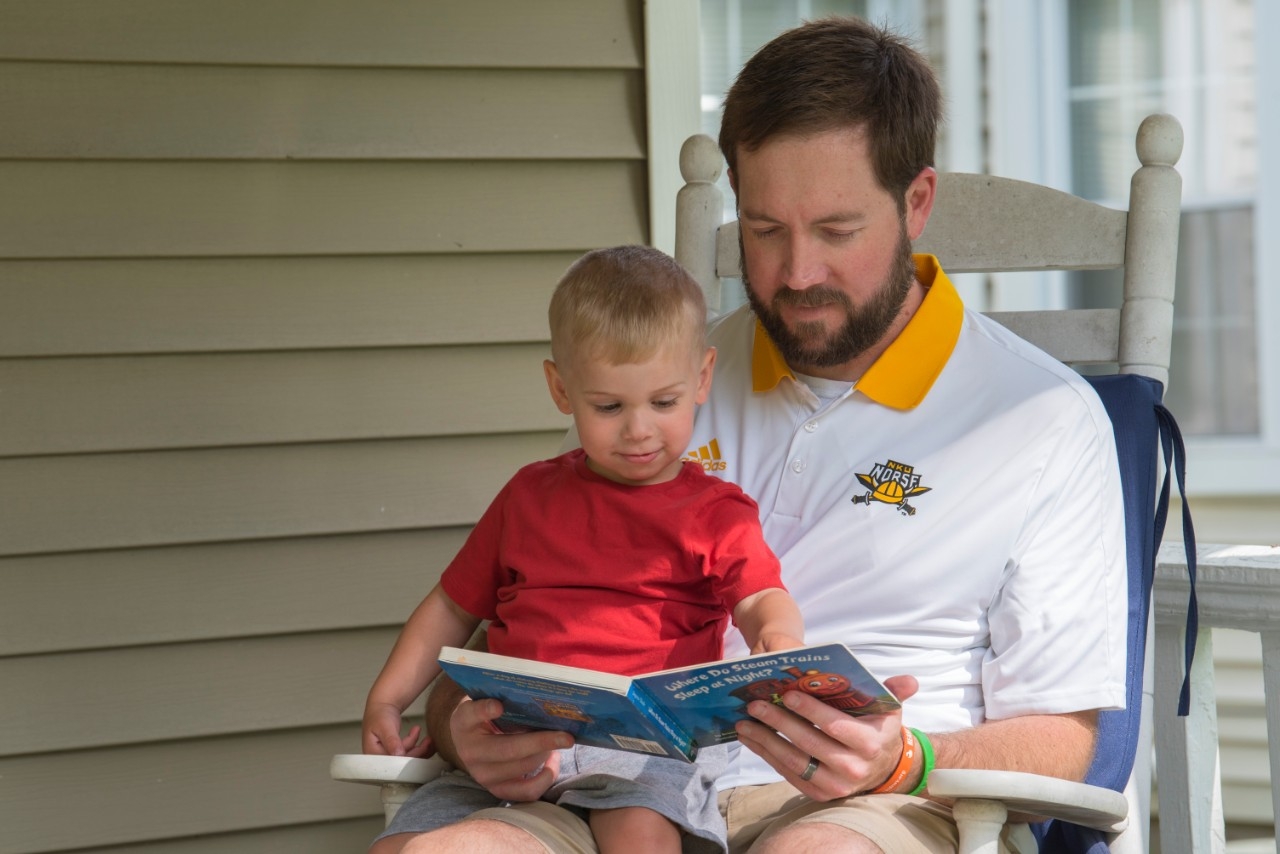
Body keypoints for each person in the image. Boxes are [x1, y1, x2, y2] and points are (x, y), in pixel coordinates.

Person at [393, 15, 1128, 854]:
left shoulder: (1042, 418)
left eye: (837, 231)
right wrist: (465, 728)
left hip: (866, 807)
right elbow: (507, 635)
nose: (798, 273)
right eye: (765, 229)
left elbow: (1066, 739)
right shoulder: (662, 386)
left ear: (916, 202)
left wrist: (907, 759)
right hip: (603, 783)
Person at [363, 244, 806, 854]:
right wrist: (388, 698)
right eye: (609, 406)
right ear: (560, 388)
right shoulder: (528, 497)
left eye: (664, 402)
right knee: (400, 847)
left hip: (643, 751)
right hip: (512, 740)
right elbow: (450, 606)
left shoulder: (714, 512)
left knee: (637, 833)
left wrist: (778, 638)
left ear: (702, 378)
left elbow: (759, 596)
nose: (639, 429)